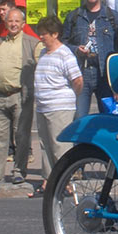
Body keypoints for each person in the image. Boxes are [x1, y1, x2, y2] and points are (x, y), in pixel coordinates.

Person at [0, 6, 38, 188]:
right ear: (5, 23)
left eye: (16, 21)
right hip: (0, 97)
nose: (13, 24)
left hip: (20, 97)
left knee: (21, 137)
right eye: (10, 21)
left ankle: (19, 172)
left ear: (23, 24)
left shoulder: (32, 43)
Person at [33, 14, 83, 193]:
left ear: (55, 34)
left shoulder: (65, 54)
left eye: (44, 33)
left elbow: (77, 80)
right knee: (45, 145)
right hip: (43, 106)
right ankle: (48, 180)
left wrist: (69, 97)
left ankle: (65, 182)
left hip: (60, 107)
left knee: (59, 146)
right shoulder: (42, 53)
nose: (41, 37)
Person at [61, 0, 118, 115]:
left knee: (109, 118)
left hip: (105, 75)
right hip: (82, 73)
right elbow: (63, 44)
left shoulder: (112, 17)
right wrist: (76, 50)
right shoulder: (74, 17)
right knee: (79, 117)